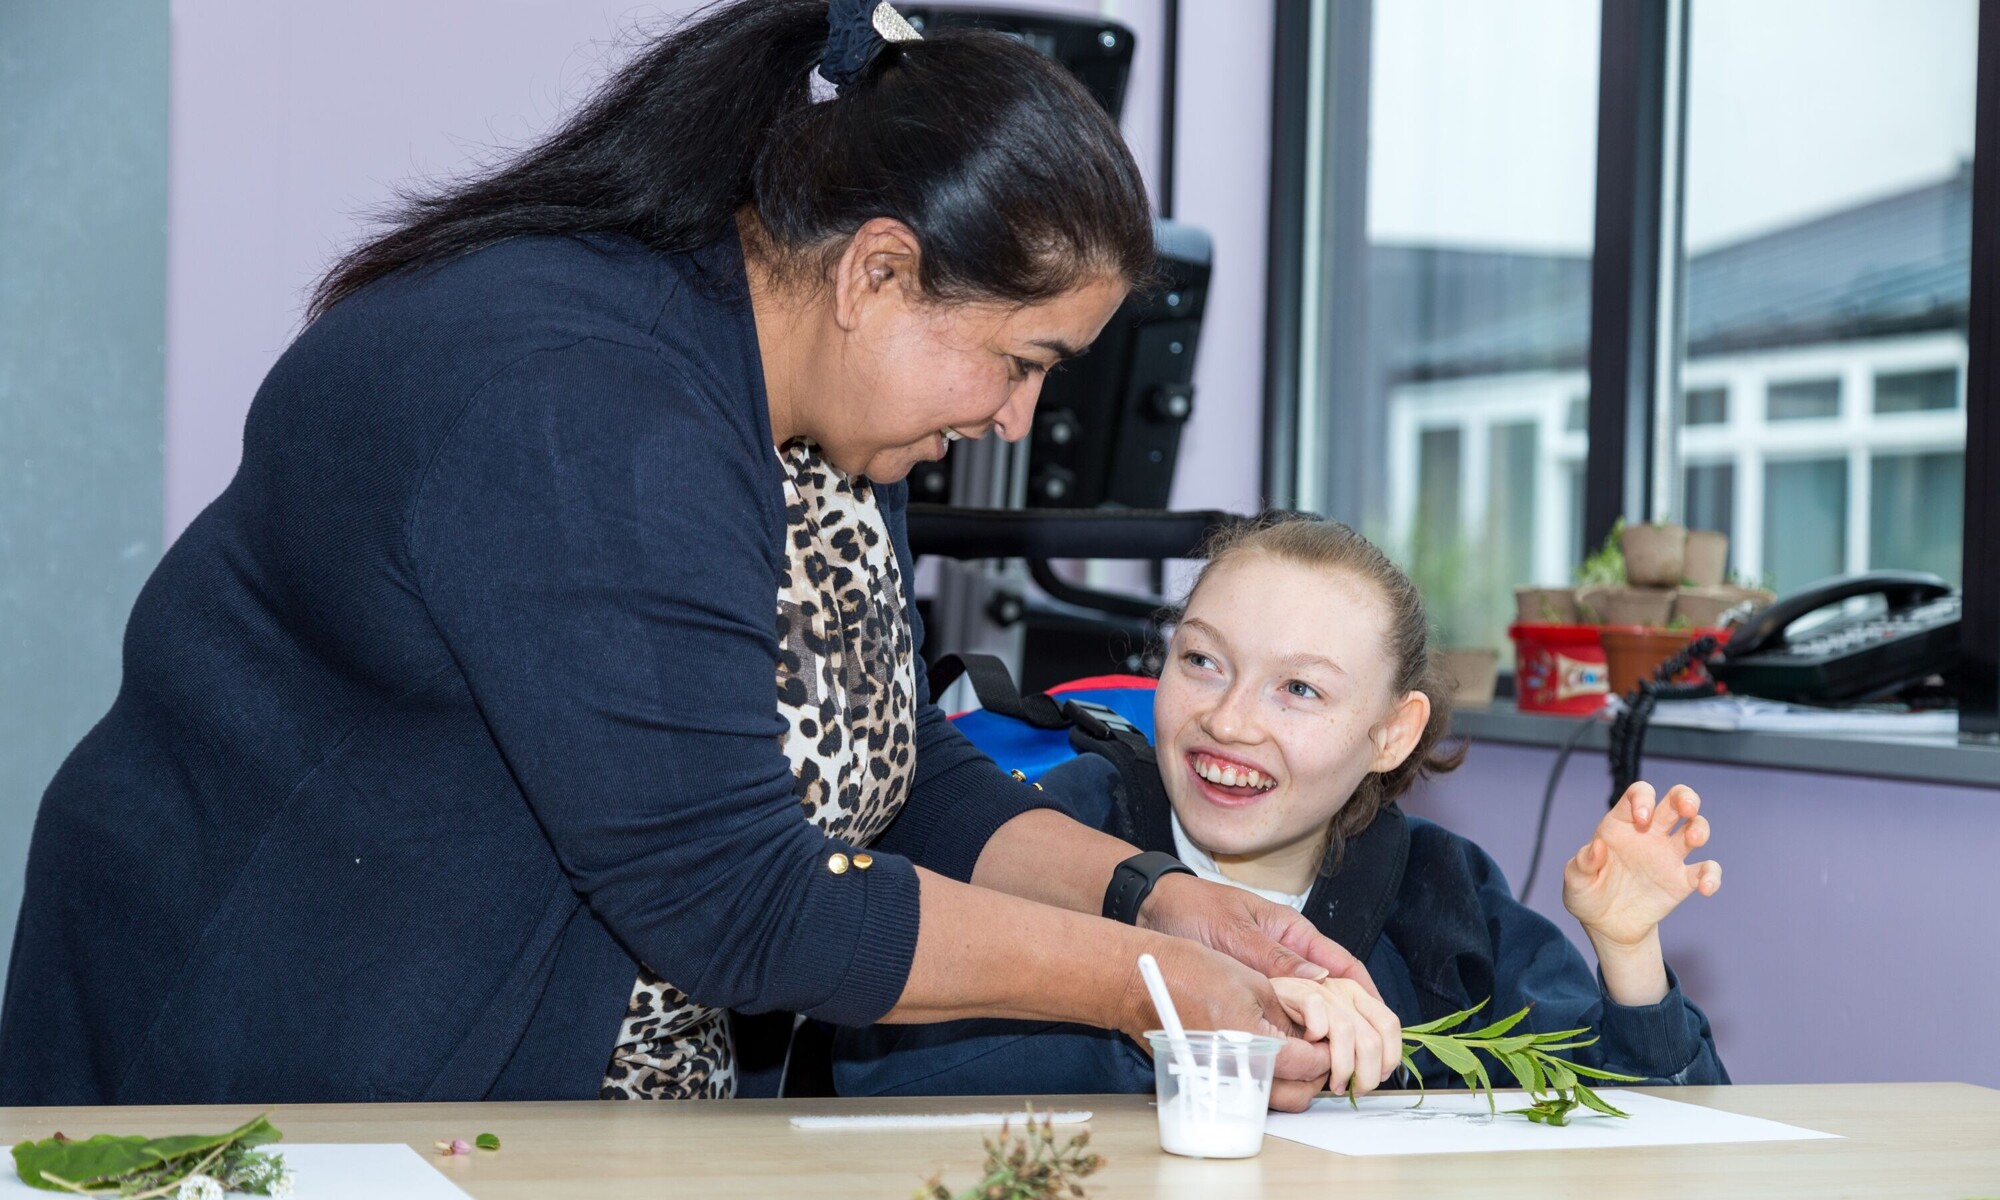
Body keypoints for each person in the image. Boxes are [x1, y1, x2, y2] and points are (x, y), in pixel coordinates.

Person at [0, 1, 1373, 1106]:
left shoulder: (822, 407)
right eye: (1019, 363)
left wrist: (1159, 899)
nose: (1013, 417)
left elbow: (879, 773)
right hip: (294, 1067)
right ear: (878, 274)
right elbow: (743, 897)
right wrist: (1149, 985)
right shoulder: (582, 405)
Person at [835, 515, 1730, 1097]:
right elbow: (874, 1081)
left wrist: (1628, 955)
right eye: (1201, 662)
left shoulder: (1440, 894)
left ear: (1391, 733)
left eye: (1298, 689)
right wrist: (1183, 1046)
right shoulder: (1059, 838)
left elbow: (1651, 1129)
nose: (1228, 719)